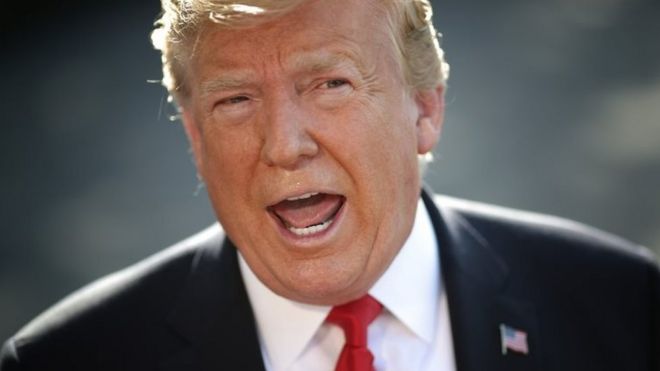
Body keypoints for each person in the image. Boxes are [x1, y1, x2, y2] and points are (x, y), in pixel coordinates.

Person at [1, 0, 658, 370]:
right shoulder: (64, 363)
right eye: (235, 100)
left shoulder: (625, 308)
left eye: (330, 84)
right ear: (196, 141)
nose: (284, 144)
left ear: (426, 108)